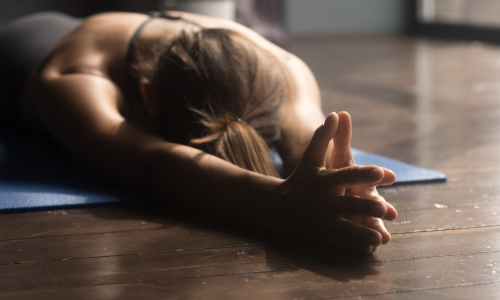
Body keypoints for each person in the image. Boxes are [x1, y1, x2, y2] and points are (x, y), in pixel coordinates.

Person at [0, 11, 397, 254]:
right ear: (146, 93)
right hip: (29, 36)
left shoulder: (285, 67)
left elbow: (308, 143)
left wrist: (341, 192)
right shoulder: (71, 77)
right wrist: (277, 205)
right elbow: (152, 163)